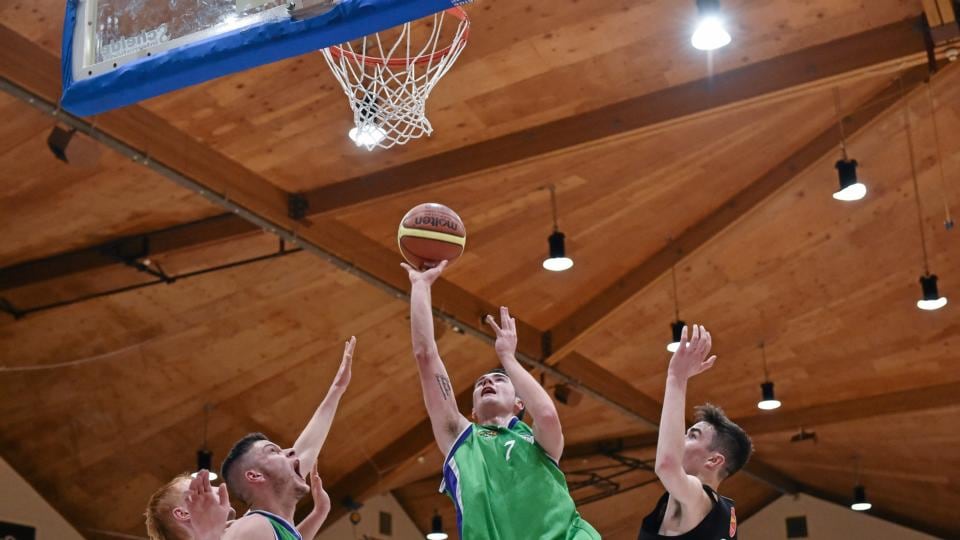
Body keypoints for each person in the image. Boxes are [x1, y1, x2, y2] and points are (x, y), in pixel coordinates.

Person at [402, 260, 599, 539]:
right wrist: (420, 287)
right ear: (471, 411)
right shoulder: (461, 438)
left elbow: (546, 415)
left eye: (499, 379)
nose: (487, 382)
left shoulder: (539, 442)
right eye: (480, 382)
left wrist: (508, 357)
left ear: (520, 404)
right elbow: (426, 356)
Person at [217, 336, 355, 539]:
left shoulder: (270, 526)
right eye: (273, 451)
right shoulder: (254, 528)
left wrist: (337, 390)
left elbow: (307, 449)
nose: (291, 451)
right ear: (255, 476)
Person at [639, 325, 753, 540]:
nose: (680, 439)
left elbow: (666, 465)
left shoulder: (699, 499)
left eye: (692, 435)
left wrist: (676, 378)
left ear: (713, 460)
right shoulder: (713, 513)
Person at [144, 464, 328, 540]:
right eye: (201, 490)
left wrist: (319, 513)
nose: (216, 488)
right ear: (184, 513)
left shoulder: (247, 527)